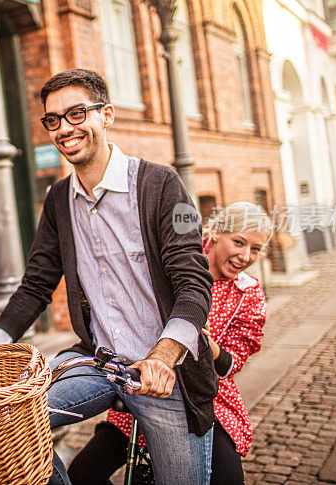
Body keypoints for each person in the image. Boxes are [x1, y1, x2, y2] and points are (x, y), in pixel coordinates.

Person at [0, 69, 218, 484]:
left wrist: (163, 356)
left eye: (76, 114)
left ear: (106, 115)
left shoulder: (162, 185)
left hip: (164, 376)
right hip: (98, 361)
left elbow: (193, 283)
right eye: (53, 119)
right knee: (2, 423)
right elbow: (36, 283)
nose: (64, 129)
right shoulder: (57, 200)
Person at [68, 202, 272, 484]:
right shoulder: (175, 262)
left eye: (255, 249)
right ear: (215, 234)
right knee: (82, 474)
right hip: (146, 384)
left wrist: (204, 341)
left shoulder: (247, 294)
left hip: (205, 398)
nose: (245, 256)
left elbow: (229, 366)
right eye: (238, 242)